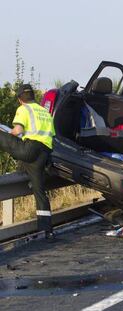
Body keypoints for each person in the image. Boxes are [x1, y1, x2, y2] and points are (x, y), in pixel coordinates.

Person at [0, 84, 55, 238]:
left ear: (20, 100)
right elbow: (51, 136)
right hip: (43, 155)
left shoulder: (23, 109)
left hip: (29, 150)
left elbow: (18, 131)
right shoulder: (45, 112)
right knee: (39, 192)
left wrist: (9, 134)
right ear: (33, 97)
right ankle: (47, 230)